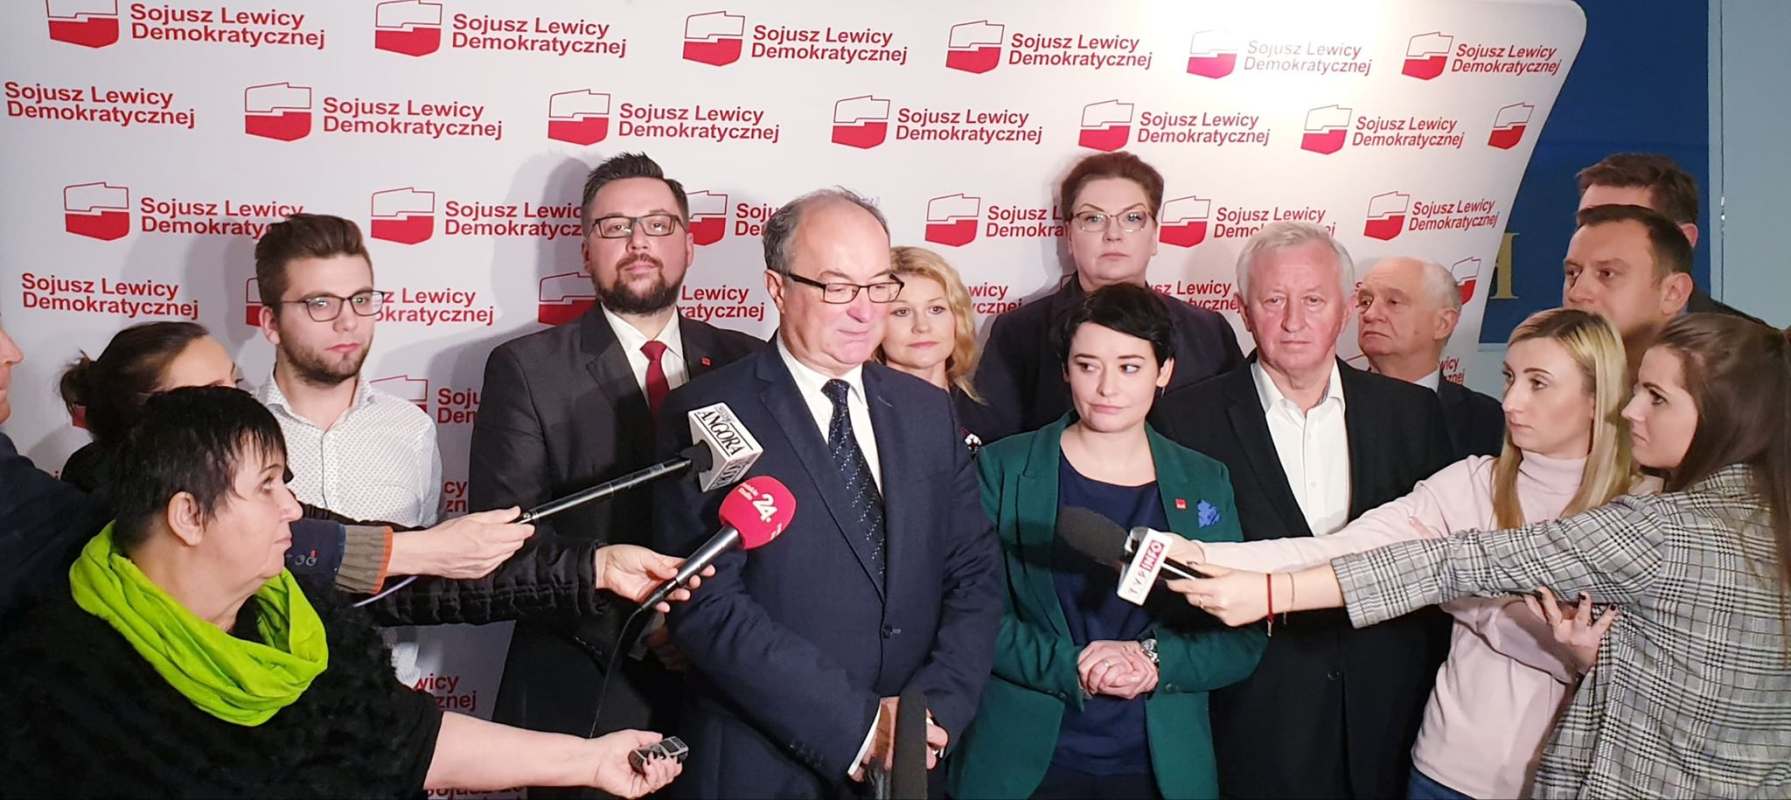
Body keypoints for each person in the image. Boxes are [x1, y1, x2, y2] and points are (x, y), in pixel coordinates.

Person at [1171, 313, 1791, 798]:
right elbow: (1355, 548)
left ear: (1596, 396)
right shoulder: (1472, 482)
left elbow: (1453, 566)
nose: (1512, 402)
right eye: (1510, 379)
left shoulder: (1653, 517)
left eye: (1539, 384)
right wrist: (1201, 554)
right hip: (1454, 769)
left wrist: (1475, 605)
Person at [0, 386, 682, 798]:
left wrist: (593, 760)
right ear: (188, 516)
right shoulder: (60, 686)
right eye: (267, 486)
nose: (293, 509)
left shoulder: (311, 625)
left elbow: (409, 741)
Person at [650, 188, 1003, 798]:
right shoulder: (708, 412)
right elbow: (707, 604)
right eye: (838, 288)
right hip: (762, 764)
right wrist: (862, 729)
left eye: (879, 285)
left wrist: (930, 715)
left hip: (915, 758)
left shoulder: (925, 410)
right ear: (777, 287)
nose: (865, 312)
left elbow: (974, 570)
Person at [471, 152, 762, 758]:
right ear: (585, 251)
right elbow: (505, 548)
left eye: (658, 224)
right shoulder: (525, 370)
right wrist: (650, 626)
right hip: (587, 696)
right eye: (614, 227)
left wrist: (710, 629)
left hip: (733, 695)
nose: (638, 242)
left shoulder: (750, 361)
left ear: (689, 246)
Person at [1152, 221, 1456, 799]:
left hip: (1393, 715)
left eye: (1314, 300)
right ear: (1244, 310)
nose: (1294, 321)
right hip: (1253, 715)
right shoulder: (1184, 421)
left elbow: (1440, 568)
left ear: (1346, 309)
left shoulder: (1413, 414)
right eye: (1274, 300)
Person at [948, 283, 1265, 800]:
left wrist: (1156, 662)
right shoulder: (1003, 468)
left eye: (1130, 367)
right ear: (1065, 370)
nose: (1106, 388)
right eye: (1087, 365)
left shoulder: (1205, 481)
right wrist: (1070, 666)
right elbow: (971, 614)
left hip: (1160, 766)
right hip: (1023, 763)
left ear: (1164, 371)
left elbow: (1241, 638)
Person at [53, 321, 529, 597]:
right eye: (212, 393)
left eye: (236, 384)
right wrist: (421, 552)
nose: (290, 509)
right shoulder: (97, 495)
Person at [974, 151, 1243, 442]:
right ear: (1069, 236)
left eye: (1132, 218)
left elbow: (1237, 437)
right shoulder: (1020, 333)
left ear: (1154, 235)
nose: (1113, 234)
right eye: (1093, 219)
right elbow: (992, 447)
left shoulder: (1207, 332)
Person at [252, 212, 442, 528]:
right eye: (320, 303)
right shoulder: (234, 434)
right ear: (272, 323)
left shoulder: (413, 428)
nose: (349, 321)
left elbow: (429, 552)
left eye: (361, 299)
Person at [1576, 152, 1762, 322]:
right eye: (1587, 223)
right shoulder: (1561, 339)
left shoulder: (1750, 345)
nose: (1578, 292)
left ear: (1684, 239)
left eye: (1620, 226)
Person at [1357, 256, 1503, 459]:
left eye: (1393, 302)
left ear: (1442, 324)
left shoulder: (1487, 419)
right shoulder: (1332, 407)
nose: (1370, 314)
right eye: (1365, 302)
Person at [875, 245, 995, 452]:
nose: (922, 326)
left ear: (957, 318)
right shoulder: (858, 417)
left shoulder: (987, 411)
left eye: (936, 309)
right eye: (902, 312)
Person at [1562, 204, 1695, 372]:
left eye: (1607, 273)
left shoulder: (1715, 385)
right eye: (1572, 273)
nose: (1576, 293)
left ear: (1673, 293)